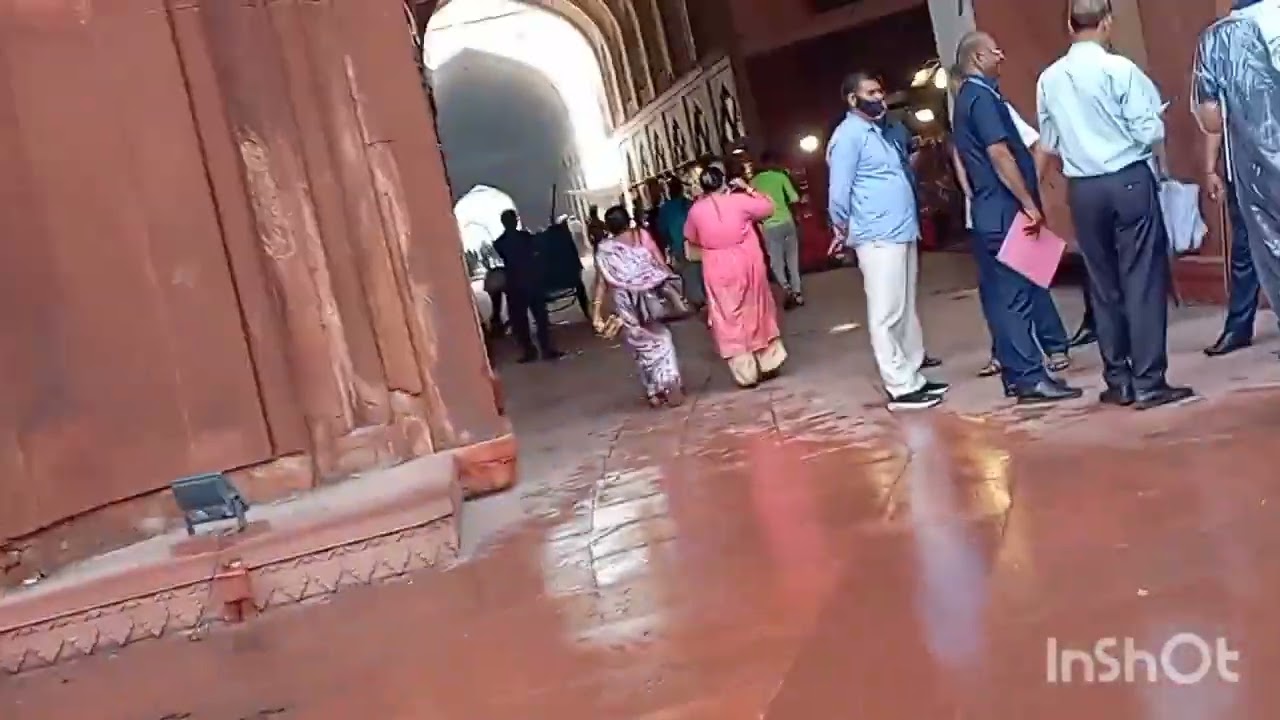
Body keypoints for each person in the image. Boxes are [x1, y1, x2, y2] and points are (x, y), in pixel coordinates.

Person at [1037, 0, 1194, 409]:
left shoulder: (1049, 78)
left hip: (1083, 189)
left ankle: (1118, 380)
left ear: (1069, 24)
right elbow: (1149, 131)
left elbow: (1049, 141)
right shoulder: (1120, 69)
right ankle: (1149, 380)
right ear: (1107, 22)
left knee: (1102, 283)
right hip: (1126, 178)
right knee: (1141, 279)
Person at [953, 33, 1082, 404]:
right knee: (1017, 296)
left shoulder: (971, 98)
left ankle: (1017, 373)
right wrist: (1028, 201)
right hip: (1005, 209)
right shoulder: (981, 98)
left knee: (1009, 294)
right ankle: (1029, 377)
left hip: (992, 209)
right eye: (995, 51)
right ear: (978, 58)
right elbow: (999, 153)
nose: (1001, 56)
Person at [827, 71, 950, 411]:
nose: (879, 98)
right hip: (876, 233)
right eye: (871, 93)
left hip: (902, 229)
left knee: (905, 307)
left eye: (880, 91)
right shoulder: (848, 136)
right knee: (886, 311)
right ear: (852, 99)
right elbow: (838, 193)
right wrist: (841, 229)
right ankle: (899, 386)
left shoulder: (879, 132)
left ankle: (913, 376)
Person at [1194, 0, 1280, 357]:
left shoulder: (1218, 37)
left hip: (1251, 170)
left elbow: (1212, 116)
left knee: (1249, 245)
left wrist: (1210, 167)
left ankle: (1238, 327)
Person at [683, 166, 788, 388]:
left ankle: (746, 374)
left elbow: (691, 238)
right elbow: (768, 208)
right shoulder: (740, 201)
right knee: (757, 309)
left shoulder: (695, 211)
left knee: (727, 318)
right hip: (748, 263)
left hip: (716, 268)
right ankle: (769, 362)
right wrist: (747, 188)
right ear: (724, 182)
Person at [591, 206, 686, 408]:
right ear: (629, 221)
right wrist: (671, 284)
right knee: (662, 338)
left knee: (640, 345)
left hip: (625, 304)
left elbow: (601, 282)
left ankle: (653, 391)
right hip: (648, 298)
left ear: (608, 227)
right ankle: (668, 380)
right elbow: (660, 263)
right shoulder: (641, 236)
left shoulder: (605, 250)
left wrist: (596, 311)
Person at [493, 209, 564, 364]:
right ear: (515, 221)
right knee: (540, 318)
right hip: (532, 282)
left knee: (521, 321)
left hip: (515, 285)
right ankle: (546, 349)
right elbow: (540, 248)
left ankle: (529, 351)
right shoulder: (526, 238)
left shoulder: (499, 243)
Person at [751, 151, 806, 308]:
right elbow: (794, 198)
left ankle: (786, 289)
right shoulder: (780, 176)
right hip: (787, 222)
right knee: (792, 259)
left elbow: (752, 207)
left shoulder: (754, 182)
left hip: (769, 226)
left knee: (776, 263)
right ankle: (797, 292)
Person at [656, 177, 704, 308]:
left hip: (678, 246)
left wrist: (668, 245)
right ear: (681, 190)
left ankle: (696, 301)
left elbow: (662, 231)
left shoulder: (665, 209)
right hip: (695, 244)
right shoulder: (689, 204)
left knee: (687, 274)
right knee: (700, 270)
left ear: (669, 191)